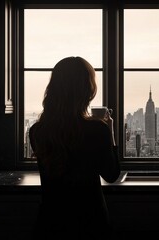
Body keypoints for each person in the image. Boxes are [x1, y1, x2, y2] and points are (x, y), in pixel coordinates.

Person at [29, 56, 121, 239]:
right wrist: (109, 131)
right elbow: (111, 175)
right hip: (91, 223)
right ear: (87, 89)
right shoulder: (97, 130)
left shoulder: (37, 131)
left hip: (51, 223)